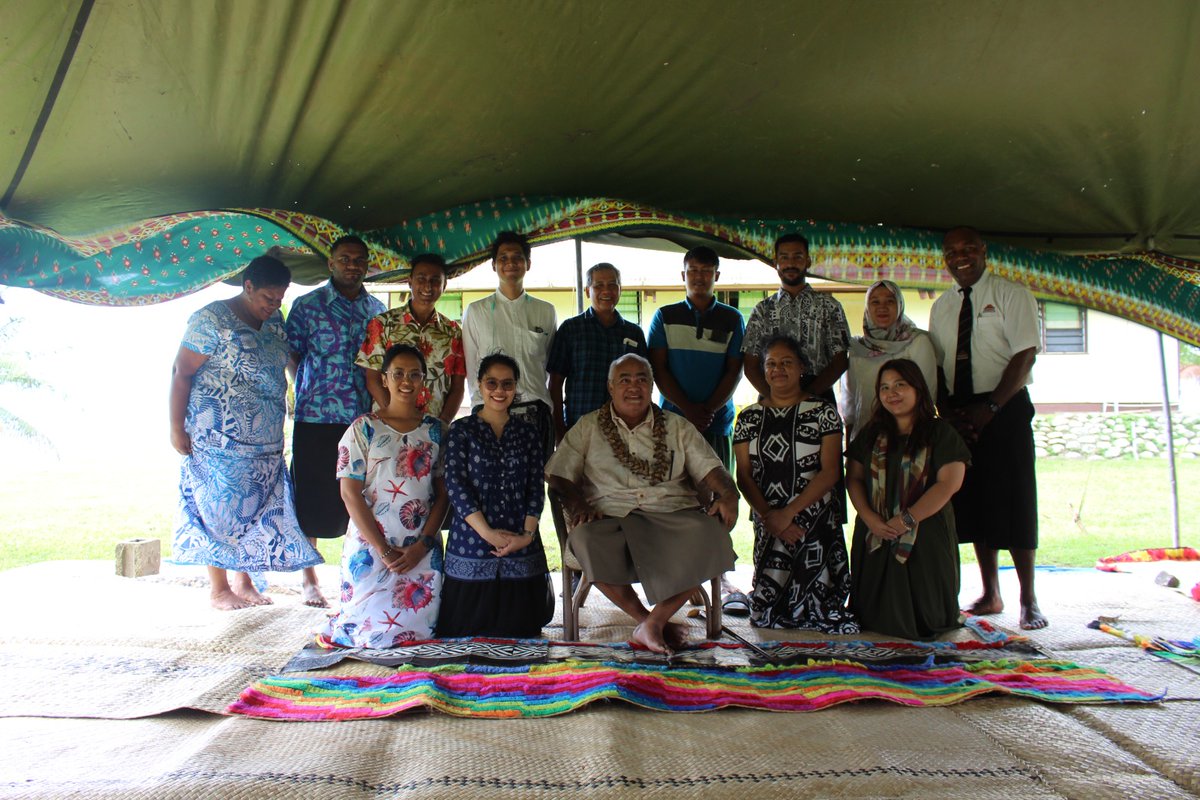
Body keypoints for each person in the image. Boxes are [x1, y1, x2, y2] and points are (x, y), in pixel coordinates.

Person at [545, 354, 739, 654]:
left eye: (641, 379)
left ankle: (653, 623)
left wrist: (729, 494)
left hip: (673, 514)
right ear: (610, 388)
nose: (633, 386)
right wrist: (578, 502)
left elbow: (712, 469)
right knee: (583, 539)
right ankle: (644, 620)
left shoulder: (677, 426)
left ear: (651, 386)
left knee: (714, 535)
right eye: (624, 380)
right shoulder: (588, 427)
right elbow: (557, 475)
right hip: (612, 517)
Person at [169, 256, 321, 610]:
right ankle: (219, 588)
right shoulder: (211, 320)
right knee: (218, 509)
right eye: (267, 297)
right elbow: (181, 371)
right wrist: (176, 426)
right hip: (218, 437)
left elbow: (288, 365)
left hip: (265, 439)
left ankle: (245, 579)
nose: (274, 305)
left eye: (280, 298)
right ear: (247, 286)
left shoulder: (275, 323)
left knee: (254, 509)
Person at [928, 226, 1046, 629]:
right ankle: (990, 593)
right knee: (975, 499)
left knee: (1014, 497)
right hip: (960, 412)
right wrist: (947, 411)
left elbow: (1024, 355)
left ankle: (1028, 599)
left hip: (1006, 407)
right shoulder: (942, 305)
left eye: (968, 248)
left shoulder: (1012, 295)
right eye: (951, 250)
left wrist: (992, 406)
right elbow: (939, 365)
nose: (960, 256)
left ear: (983, 252)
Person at [321, 344, 449, 648]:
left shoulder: (437, 431)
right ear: (384, 378)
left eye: (414, 374)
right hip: (371, 547)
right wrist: (382, 549)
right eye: (399, 373)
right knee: (363, 634)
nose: (406, 381)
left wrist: (423, 545)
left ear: (423, 381)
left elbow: (444, 496)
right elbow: (349, 493)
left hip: (420, 546)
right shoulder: (362, 429)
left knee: (420, 637)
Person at [646, 246, 748, 615]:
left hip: (715, 423)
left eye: (707, 271)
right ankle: (680, 578)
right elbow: (658, 369)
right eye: (693, 270)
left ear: (717, 277)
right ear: (683, 274)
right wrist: (688, 410)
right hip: (673, 425)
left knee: (718, 499)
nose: (700, 276)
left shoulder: (733, 318)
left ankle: (717, 577)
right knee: (676, 499)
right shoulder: (665, 316)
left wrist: (708, 410)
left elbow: (734, 370)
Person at [286, 235, 387, 607]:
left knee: (359, 496)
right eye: (344, 258)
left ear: (367, 265)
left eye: (359, 260)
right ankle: (309, 578)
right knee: (311, 494)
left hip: (361, 420)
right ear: (330, 263)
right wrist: (308, 387)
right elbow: (290, 354)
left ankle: (355, 573)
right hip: (314, 416)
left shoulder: (376, 310)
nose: (352, 265)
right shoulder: (307, 306)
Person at [732, 335, 858, 632]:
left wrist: (787, 514)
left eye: (787, 362)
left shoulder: (824, 412)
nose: (778, 369)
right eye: (771, 364)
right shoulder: (749, 418)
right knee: (768, 611)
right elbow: (744, 476)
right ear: (763, 371)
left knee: (820, 605)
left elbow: (830, 472)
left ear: (802, 366)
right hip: (768, 517)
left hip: (815, 517)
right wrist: (771, 516)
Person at [846, 359, 970, 639]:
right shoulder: (872, 432)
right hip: (876, 529)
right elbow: (852, 477)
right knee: (871, 619)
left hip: (925, 529)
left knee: (928, 616)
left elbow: (949, 483)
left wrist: (907, 519)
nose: (892, 393)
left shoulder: (940, 432)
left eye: (900, 385)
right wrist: (869, 518)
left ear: (918, 388)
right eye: (885, 387)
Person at [438, 354, 554, 638]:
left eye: (507, 384)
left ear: (516, 387)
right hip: (471, 540)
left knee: (523, 631)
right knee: (465, 631)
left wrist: (526, 535)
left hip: (520, 537)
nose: (499, 391)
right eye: (492, 382)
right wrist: (487, 533)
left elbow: (535, 488)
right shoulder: (462, 431)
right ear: (479, 384)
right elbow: (456, 485)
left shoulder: (528, 433)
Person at [461, 231, 557, 461]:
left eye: (517, 257)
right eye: (503, 258)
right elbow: (472, 368)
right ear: (494, 266)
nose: (510, 263)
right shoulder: (477, 312)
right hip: (489, 413)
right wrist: (485, 410)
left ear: (528, 264)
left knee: (534, 485)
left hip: (536, 412)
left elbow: (550, 365)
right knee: (490, 486)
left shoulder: (545, 311)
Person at [356, 252, 465, 426]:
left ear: (444, 286)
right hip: (388, 427)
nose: (428, 286)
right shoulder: (382, 324)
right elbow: (373, 378)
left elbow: (458, 387)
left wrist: (442, 424)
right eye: (421, 279)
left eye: (435, 280)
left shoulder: (453, 332)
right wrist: (396, 418)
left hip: (432, 429)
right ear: (409, 282)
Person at [742, 234, 850, 403]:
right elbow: (750, 365)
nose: (790, 264)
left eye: (797, 257)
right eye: (784, 257)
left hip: (818, 396)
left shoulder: (829, 306)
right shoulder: (762, 310)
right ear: (775, 262)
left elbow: (840, 362)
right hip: (772, 398)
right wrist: (774, 399)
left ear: (808, 261)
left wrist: (805, 396)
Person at [548, 262, 647, 442]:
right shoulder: (571, 329)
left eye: (612, 285)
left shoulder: (634, 333)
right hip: (579, 429)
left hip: (624, 431)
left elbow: (645, 383)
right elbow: (555, 384)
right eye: (598, 285)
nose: (606, 291)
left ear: (620, 289)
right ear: (587, 291)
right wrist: (559, 432)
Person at [842, 280, 938, 442]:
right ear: (867, 307)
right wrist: (852, 444)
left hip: (907, 437)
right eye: (875, 302)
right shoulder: (857, 347)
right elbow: (850, 401)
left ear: (899, 304)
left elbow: (928, 396)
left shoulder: (917, 342)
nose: (882, 307)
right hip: (865, 437)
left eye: (890, 301)